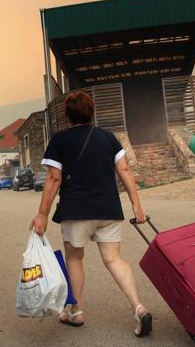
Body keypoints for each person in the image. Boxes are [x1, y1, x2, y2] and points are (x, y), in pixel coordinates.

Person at [29, 91, 153, 337]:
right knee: (114, 259)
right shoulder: (108, 137)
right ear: (92, 112)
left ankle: (76, 311)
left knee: (75, 259)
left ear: (67, 116)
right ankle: (138, 307)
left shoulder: (60, 140)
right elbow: (125, 169)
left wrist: (42, 214)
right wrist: (136, 204)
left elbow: (54, 178)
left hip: (76, 211)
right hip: (108, 209)